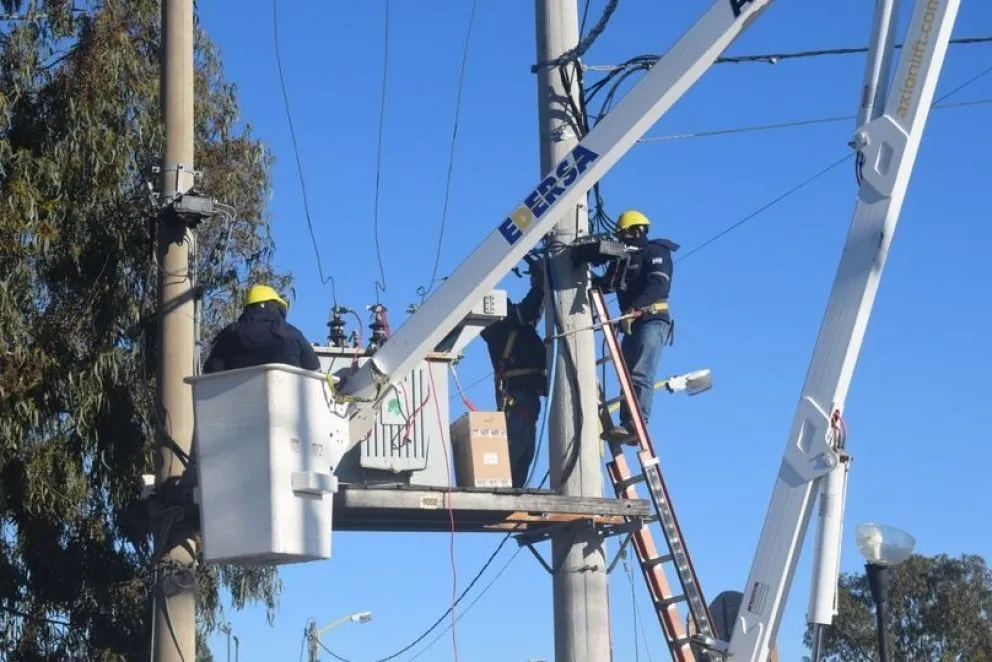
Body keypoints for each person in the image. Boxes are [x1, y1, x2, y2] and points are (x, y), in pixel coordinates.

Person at [606, 210, 679, 443]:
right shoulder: (623, 258)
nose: (622, 238)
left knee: (640, 372)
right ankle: (627, 423)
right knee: (626, 374)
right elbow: (607, 283)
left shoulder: (655, 251)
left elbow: (658, 284)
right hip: (632, 322)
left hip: (651, 319)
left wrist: (635, 307)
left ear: (638, 231)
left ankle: (636, 424)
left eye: (625, 233)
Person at [480, 262, 547, 488]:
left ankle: (515, 490)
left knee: (525, 452)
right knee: (516, 450)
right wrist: (538, 285)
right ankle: (508, 491)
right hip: (517, 396)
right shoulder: (495, 328)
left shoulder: (516, 327)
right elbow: (526, 311)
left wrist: (539, 286)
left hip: (527, 395)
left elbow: (532, 314)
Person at [203, 283, 320, 374]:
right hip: (288, 397)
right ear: (277, 306)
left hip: (236, 398)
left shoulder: (230, 334)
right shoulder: (292, 334)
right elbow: (315, 372)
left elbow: (211, 374)